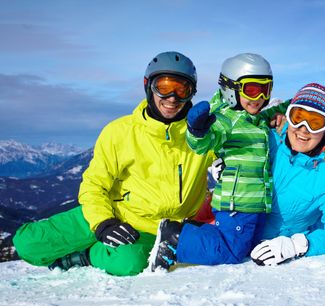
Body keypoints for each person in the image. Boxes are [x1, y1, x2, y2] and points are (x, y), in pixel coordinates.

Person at [13, 51, 214, 276]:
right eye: (164, 87)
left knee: (130, 263)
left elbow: (236, 151)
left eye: (182, 89)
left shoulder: (204, 137)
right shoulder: (119, 132)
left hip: (152, 227)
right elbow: (94, 184)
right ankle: (90, 238)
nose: (172, 98)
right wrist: (103, 223)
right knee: (28, 244)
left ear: (191, 93)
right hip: (111, 212)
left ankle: (86, 255)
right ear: (148, 86)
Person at [149, 53, 289, 270]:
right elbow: (204, 143)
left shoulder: (256, 118)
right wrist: (198, 131)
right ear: (231, 88)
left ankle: (192, 231)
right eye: (251, 89)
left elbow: (280, 109)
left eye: (265, 89)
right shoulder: (225, 120)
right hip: (237, 203)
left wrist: (304, 103)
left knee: (248, 248)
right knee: (231, 251)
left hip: (256, 202)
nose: (259, 97)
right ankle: (175, 238)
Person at [249, 83, 325, 266]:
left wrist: (297, 245)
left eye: (315, 122)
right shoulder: (268, 140)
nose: (304, 129)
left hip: (271, 246)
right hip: (238, 232)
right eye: (298, 117)